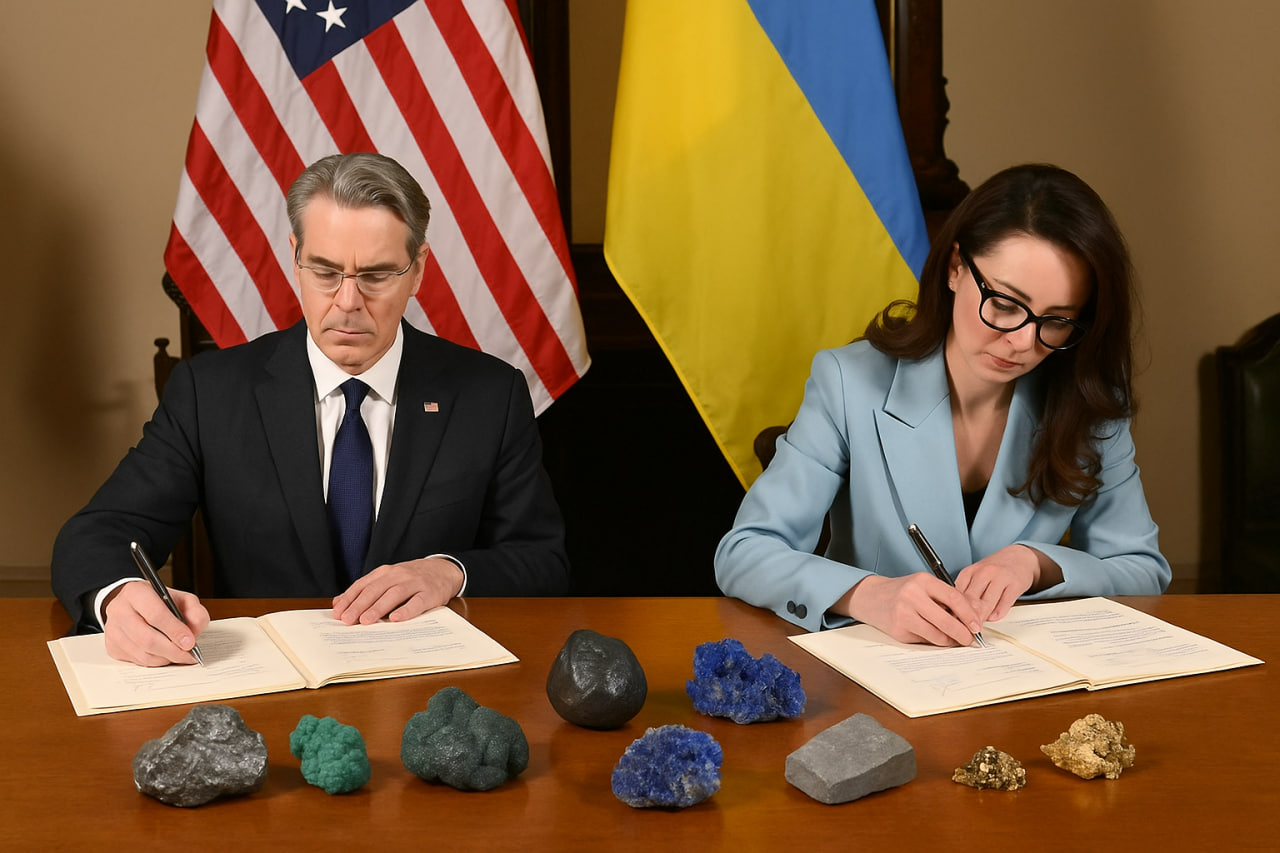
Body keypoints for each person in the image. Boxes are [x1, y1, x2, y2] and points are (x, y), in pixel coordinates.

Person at [52, 152, 569, 665]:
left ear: (417, 271)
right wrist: (118, 597)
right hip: (263, 685)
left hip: (430, 687)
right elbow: (95, 535)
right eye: (325, 271)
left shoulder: (490, 395)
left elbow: (542, 561)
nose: (348, 301)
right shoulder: (209, 393)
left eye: (376, 275)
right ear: (295, 257)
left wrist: (450, 571)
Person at [714, 163, 1170, 646]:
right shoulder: (847, 382)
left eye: (1056, 320)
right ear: (955, 268)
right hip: (875, 669)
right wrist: (869, 595)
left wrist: (1036, 562)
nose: (1022, 341)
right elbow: (745, 552)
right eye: (1004, 304)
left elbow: (1142, 570)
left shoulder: (1090, 406)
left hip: (1023, 674)